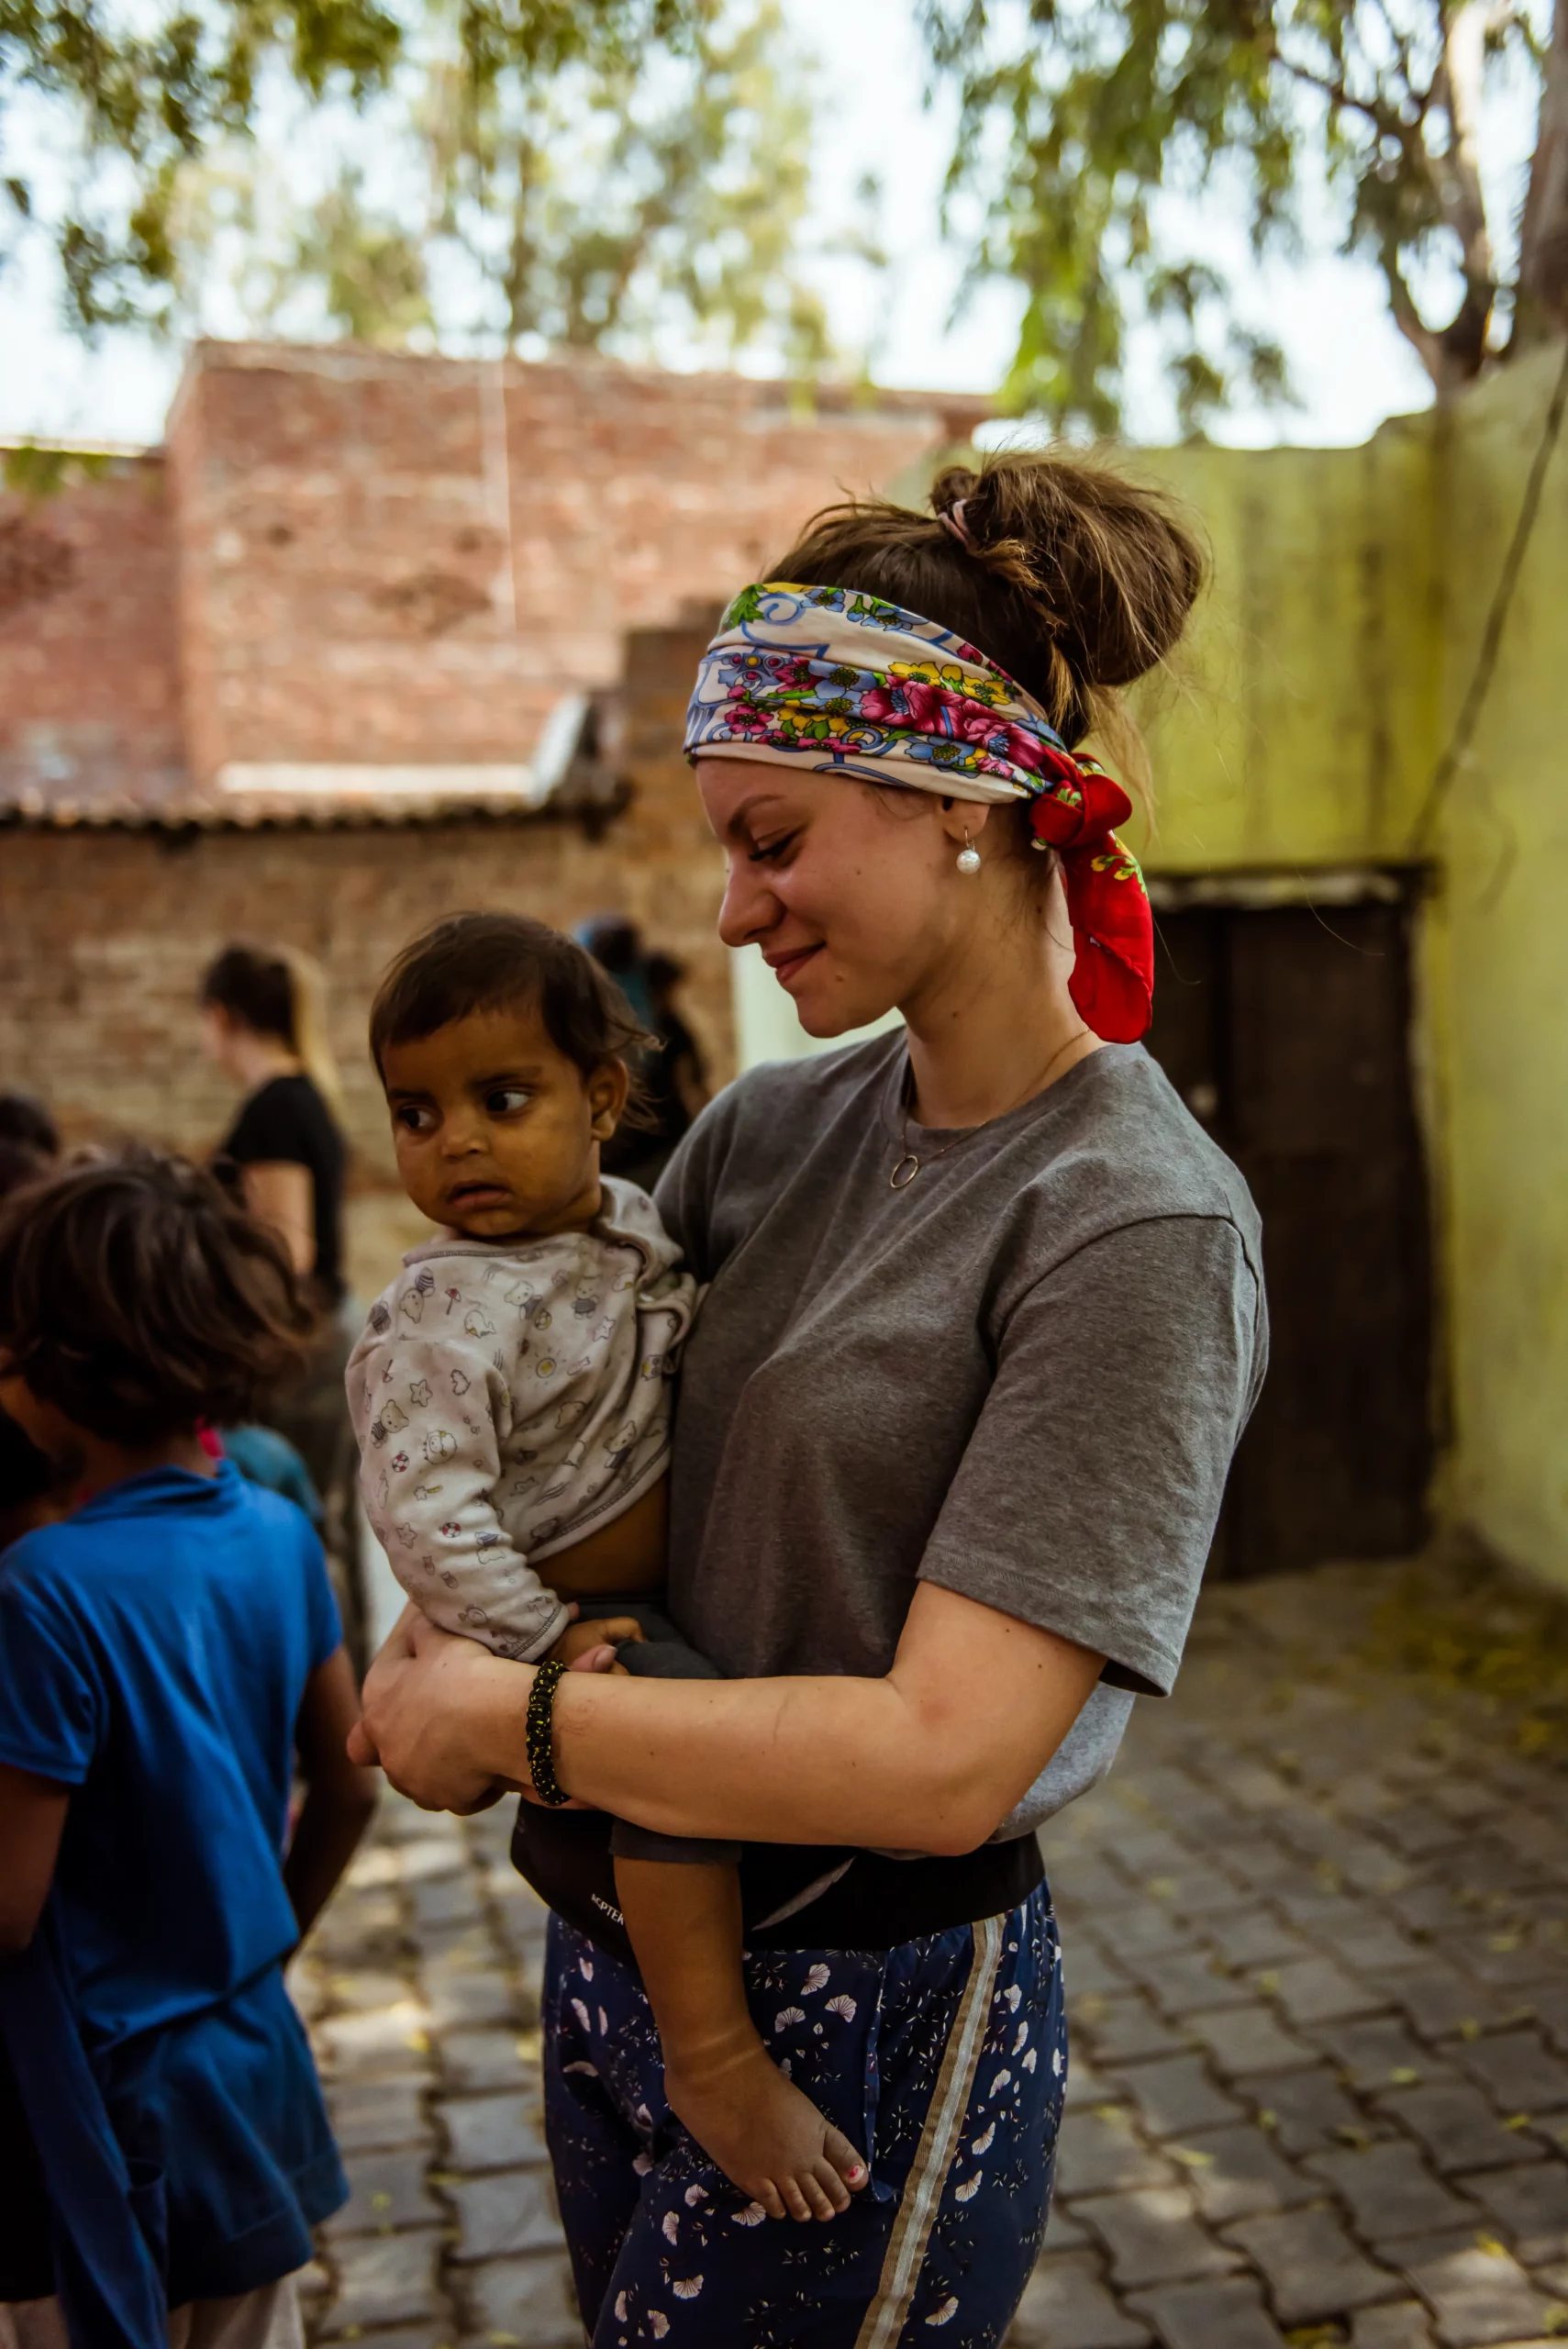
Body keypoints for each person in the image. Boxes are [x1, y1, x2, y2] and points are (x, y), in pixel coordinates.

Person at [350, 449, 1267, 2346]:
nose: (729, 906)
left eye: (769, 837)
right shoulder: (764, 1134)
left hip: (857, 2012)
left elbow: (946, 1756)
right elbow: (541, 1430)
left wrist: (507, 1710)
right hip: (605, 1942)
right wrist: (422, 1611)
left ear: (954, 798)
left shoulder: (1130, 1222)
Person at [348, 912, 866, 2216]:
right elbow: (423, 1517)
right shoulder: (443, 1316)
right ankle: (713, 2056)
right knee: (677, 1768)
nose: (455, 1139)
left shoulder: (629, 1224)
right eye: (416, 1113)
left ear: (603, 1099)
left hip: (651, 1593)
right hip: (580, 1615)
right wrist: (544, 1643)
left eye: (500, 1098)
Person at [0, 1150, 378, 2347]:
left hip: (105, 2119)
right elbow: (351, 1787)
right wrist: (250, 1950)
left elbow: (9, 1911)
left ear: (49, 1367)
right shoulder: (271, 1528)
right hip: (255, 2067)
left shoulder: (41, 1589)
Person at [199, 944, 365, 1669]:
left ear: (222, 1018)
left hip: (299, 1346)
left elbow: (286, 1249)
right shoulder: (303, 1096)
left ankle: (327, 1701)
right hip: (323, 1335)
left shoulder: (273, 1107)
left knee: (298, 1529)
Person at [577, 923, 710, 1193]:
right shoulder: (663, 1024)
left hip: (612, 1160)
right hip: (661, 1154)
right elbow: (694, 1088)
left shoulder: (580, 1025)